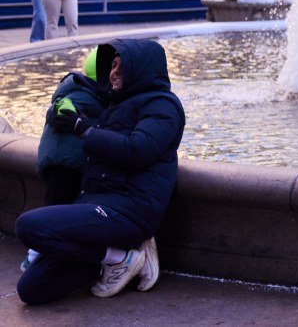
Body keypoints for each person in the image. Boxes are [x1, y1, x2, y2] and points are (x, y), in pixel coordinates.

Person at [15, 39, 186, 304]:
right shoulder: (114, 105)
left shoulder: (163, 105)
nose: (113, 72)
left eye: (120, 66)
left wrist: (83, 128)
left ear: (140, 68)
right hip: (97, 204)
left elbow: (137, 150)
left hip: (128, 211)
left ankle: (124, 258)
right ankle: (109, 259)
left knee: (28, 226)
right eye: (112, 66)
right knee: (31, 289)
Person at [22, 48, 104, 271]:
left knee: (58, 206)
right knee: (55, 209)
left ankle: (40, 251)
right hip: (66, 164)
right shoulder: (84, 95)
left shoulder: (80, 88)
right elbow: (63, 108)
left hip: (63, 160)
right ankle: (35, 253)